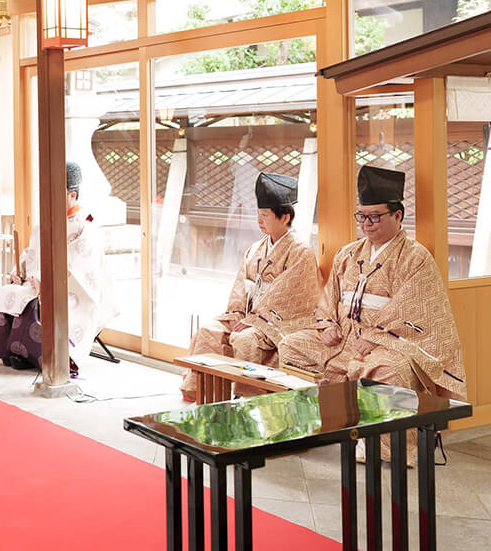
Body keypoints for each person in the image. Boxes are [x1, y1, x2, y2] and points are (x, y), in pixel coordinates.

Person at [278, 166, 466, 456]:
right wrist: (327, 325)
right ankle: (312, 428)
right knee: (291, 345)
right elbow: (329, 296)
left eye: (374, 217)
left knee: (389, 370)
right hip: (343, 339)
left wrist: (378, 337)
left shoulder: (415, 257)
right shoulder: (347, 253)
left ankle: (383, 447)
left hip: (389, 345)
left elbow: (414, 306)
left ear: (397, 215)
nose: (366, 224)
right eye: (362, 216)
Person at [178, 172, 319, 401]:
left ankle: (248, 397)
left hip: (275, 322)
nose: (259, 220)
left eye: (265, 215)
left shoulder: (300, 252)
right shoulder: (255, 249)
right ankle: (205, 393)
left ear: (284, 217)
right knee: (209, 331)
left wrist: (253, 320)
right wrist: (235, 314)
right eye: (258, 214)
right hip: (248, 317)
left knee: (245, 339)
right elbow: (240, 286)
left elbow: (288, 297)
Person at [0, 161, 118, 372]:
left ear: (72, 195)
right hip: (39, 280)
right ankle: (15, 350)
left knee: (37, 301)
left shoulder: (84, 225)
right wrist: (18, 272)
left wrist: (43, 280)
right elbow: (30, 253)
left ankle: (48, 354)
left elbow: (80, 265)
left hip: (70, 287)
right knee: (9, 291)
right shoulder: (44, 221)